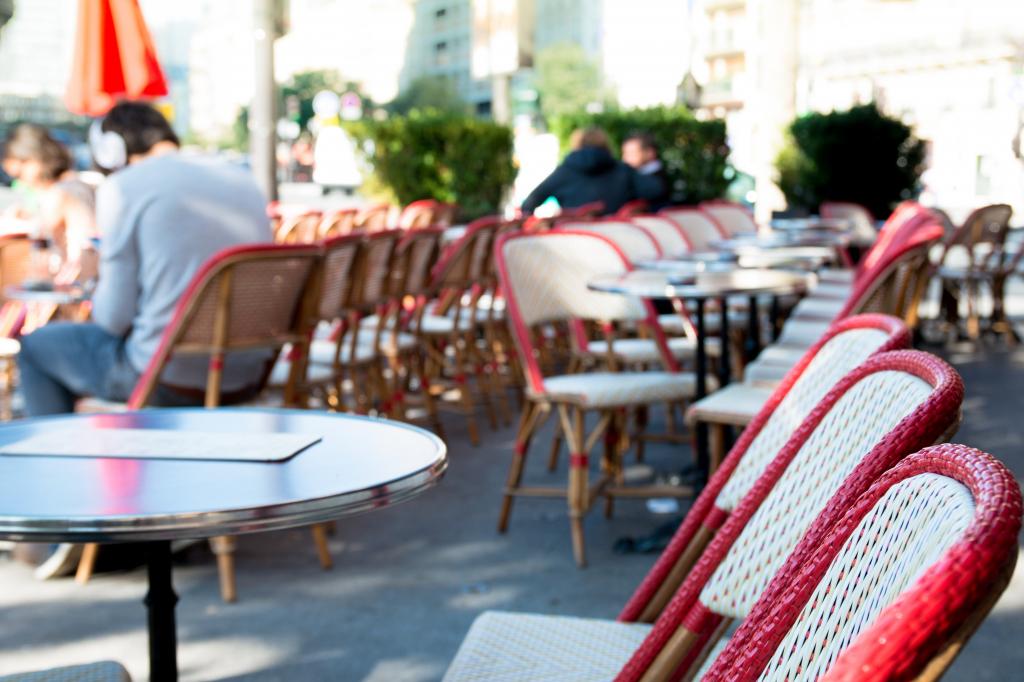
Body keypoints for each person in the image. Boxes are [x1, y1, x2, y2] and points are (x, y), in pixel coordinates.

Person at [15, 103, 274, 578]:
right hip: (247, 371)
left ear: (111, 148)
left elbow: (113, 320)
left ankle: (61, 521)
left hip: (166, 375)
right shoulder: (241, 177)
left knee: (37, 347)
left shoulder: (125, 187)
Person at [1, 124, 96, 259]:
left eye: (19, 174)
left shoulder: (61, 192)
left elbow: (41, 232)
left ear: (37, 158)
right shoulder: (73, 183)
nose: (21, 182)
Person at [521, 127, 662, 216]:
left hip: (572, 244)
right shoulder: (623, 170)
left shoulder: (563, 172)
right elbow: (656, 190)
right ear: (605, 145)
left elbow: (528, 205)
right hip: (617, 244)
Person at [621, 131, 671, 211]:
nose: (625, 158)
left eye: (631, 153)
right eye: (624, 153)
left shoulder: (658, 180)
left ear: (650, 153)